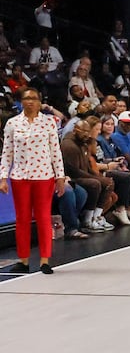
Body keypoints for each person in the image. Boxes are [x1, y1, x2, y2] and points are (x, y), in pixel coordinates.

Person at [1, 87, 67, 274]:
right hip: (20, 176)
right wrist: (3, 177)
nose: (29, 101)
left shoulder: (48, 123)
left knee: (43, 217)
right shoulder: (13, 123)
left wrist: (60, 176)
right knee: (22, 219)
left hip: (44, 176)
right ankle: (23, 260)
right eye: (26, 98)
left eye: (33, 98)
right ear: (21, 101)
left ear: (39, 102)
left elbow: (56, 152)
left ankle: (45, 260)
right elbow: (7, 152)